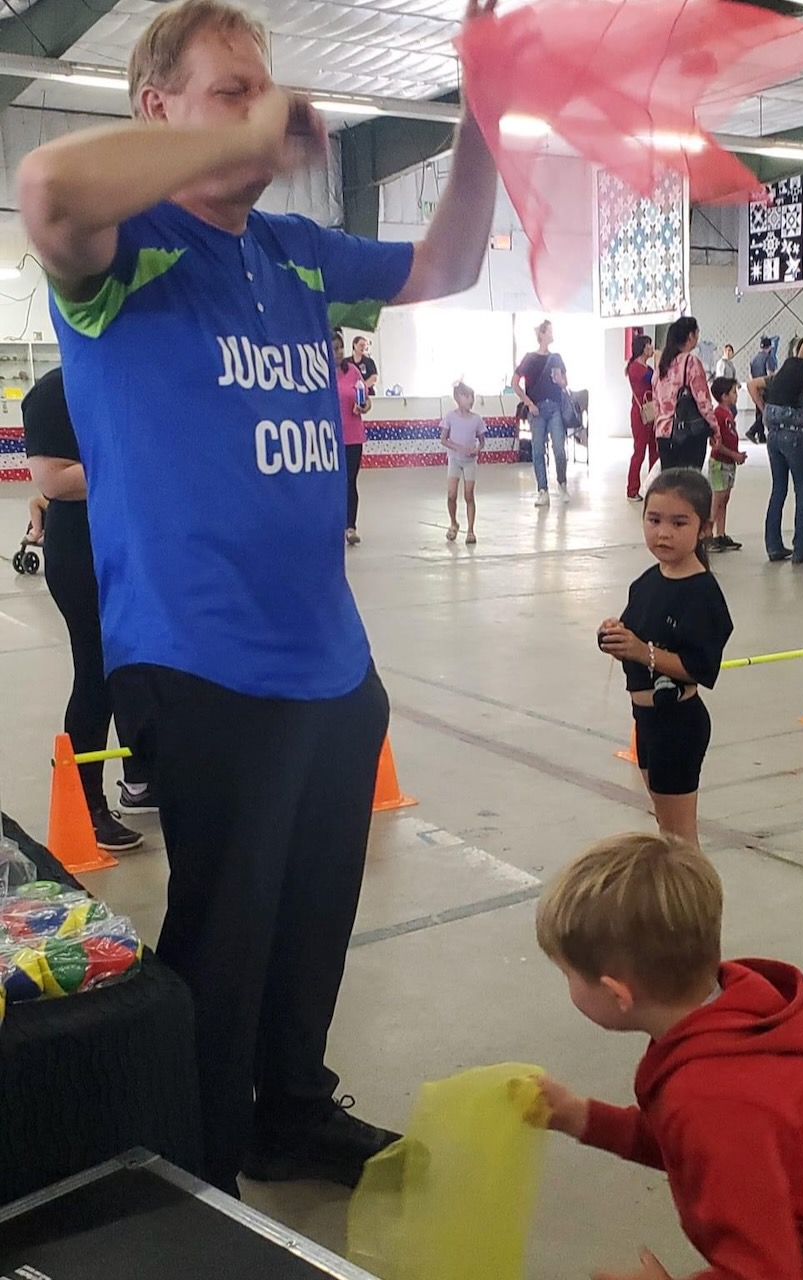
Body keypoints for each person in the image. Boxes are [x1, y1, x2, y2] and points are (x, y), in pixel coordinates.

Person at [19, 0, 499, 1194]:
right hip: (197, 654)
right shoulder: (125, 252)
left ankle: (291, 1107)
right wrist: (248, 133)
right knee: (225, 937)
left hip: (329, 657)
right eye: (228, 91)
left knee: (313, 914)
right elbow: (47, 187)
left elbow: (447, 264)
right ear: (156, 108)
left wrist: (480, 122)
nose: (259, 113)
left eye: (263, 89)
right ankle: (203, 1166)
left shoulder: (293, 252)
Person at [533, 832, 803, 1280]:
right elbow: (691, 1143)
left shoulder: (710, 1097)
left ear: (616, 993)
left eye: (567, 974)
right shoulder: (734, 1018)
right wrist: (580, 1116)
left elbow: (762, 1272)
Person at [22, 367, 153, 852]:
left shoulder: (133, 378)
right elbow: (53, 481)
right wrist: (138, 460)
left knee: (143, 669)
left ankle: (141, 779)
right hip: (83, 553)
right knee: (97, 675)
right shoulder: (53, 392)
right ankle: (86, 803)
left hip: (136, 547)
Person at [598, 471, 732, 848]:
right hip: (647, 722)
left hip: (678, 725)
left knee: (679, 839)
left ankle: (693, 889)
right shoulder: (646, 582)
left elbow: (699, 667)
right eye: (654, 520)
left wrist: (642, 651)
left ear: (704, 529)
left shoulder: (702, 593)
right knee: (666, 830)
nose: (664, 533)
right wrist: (613, 636)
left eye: (679, 523)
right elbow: (634, 638)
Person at [750, 337, 803, 567]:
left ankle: (773, 546)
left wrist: (764, 409)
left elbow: (752, 384)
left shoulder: (784, 370)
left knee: (778, 490)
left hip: (774, 434)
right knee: (802, 491)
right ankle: (801, 549)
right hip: (795, 435)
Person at [515, 319, 570, 507]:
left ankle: (562, 483)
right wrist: (529, 403)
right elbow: (515, 383)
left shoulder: (556, 357)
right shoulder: (529, 358)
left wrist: (560, 381)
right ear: (542, 334)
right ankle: (542, 490)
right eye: (550, 331)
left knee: (559, 449)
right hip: (536, 409)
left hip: (554, 407)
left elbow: (565, 383)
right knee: (538, 450)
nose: (552, 334)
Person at [652, 317, 718, 472]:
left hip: (663, 435)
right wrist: (715, 428)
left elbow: (656, 405)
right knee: (689, 483)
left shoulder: (661, 367)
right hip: (688, 434)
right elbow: (703, 401)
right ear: (690, 336)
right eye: (697, 333)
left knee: (670, 483)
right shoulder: (691, 362)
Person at [333, 329, 369, 547]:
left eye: (340, 348)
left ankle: (350, 527)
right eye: (334, 349)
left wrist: (362, 405)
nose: (338, 353)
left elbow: (366, 400)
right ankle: (333, 525)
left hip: (353, 436)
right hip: (331, 437)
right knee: (333, 482)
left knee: (350, 481)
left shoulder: (353, 371)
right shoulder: (320, 374)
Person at [440, 381, 485, 543]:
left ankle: (471, 530)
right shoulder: (450, 417)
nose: (470, 400)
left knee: (469, 495)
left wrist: (477, 449)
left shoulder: (476, 419)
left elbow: (482, 441)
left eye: (472, 397)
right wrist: (458, 448)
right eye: (467, 397)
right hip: (454, 460)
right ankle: (454, 523)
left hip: (470, 462)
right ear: (458, 398)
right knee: (451, 494)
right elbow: (443, 439)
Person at [708, 376, 746, 552]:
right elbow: (716, 444)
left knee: (724, 500)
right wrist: (734, 455)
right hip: (720, 464)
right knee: (716, 501)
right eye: (733, 392)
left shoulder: (728, 413)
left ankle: (720, 534)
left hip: (729, 463)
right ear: (724, 396)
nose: (736, 395)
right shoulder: (718, 415)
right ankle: (706, 536)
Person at [626, 332, 656, 502]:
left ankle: (652, 486)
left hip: (652, 411)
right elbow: (653, 379)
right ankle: (632, 489)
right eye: (649, 345)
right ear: (642, 349)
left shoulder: (648, 368)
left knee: (654, 451)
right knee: (639, 451)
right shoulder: (636, 368)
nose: (651, 348)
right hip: (641, 414)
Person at [745, 335, 776, 443]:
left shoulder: (754, 359)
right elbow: (770, 374)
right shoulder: (769, 358)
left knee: (759, 411)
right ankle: (752, 431)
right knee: (764, 410)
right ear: (770, 347)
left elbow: (750, 375)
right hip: (764, 388)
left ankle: (761, 435)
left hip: (755, 388)